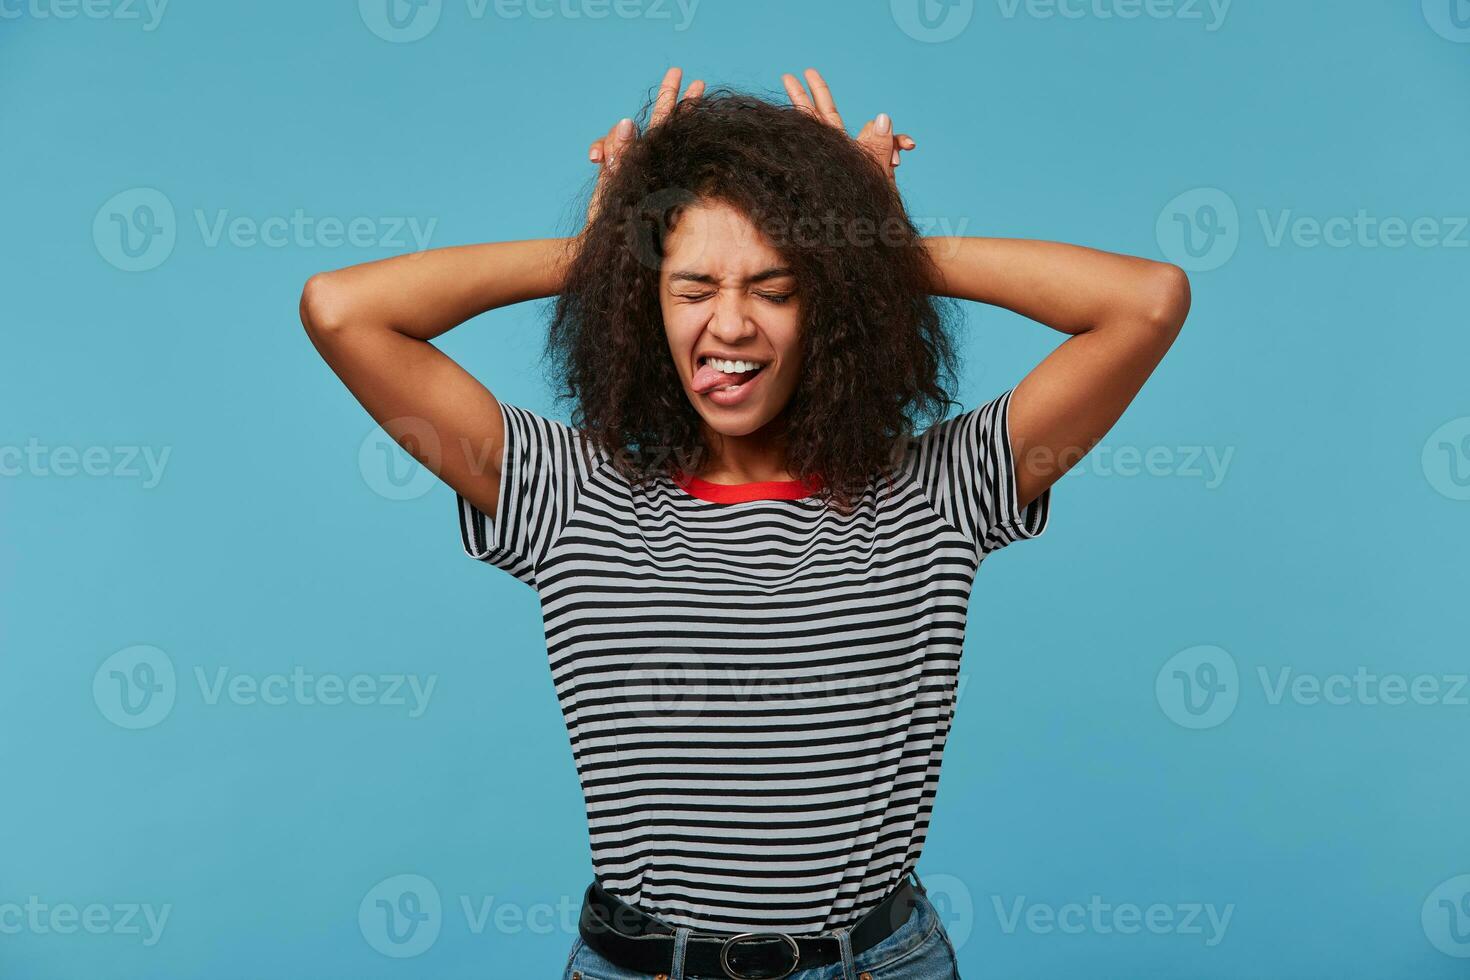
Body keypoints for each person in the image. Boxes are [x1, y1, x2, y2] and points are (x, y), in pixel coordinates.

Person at [300, 66, 1190, 980]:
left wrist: (872, 244)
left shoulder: (937, 491)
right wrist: (611, 247)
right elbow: (344, 310)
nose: (730, 323)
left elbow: (1145, 302)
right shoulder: (570, 494)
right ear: (644, 303)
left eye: (775, 286)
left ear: (830, 308)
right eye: (691, 287)